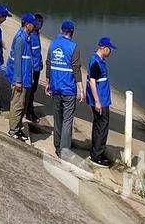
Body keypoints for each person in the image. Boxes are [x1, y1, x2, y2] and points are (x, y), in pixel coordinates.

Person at [44, 20, 82, 158]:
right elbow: (76, 69)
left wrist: (47, 82)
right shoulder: (74, 47)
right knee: (67, 120)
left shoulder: (53, 44)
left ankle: (57, 144)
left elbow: (48, 64)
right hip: (69, 89)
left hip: (55, 88)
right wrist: (81, 90)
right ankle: (64, 149)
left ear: (61, 30)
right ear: (72, 32)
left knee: (57, 118)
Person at [5, 13, 38, 142]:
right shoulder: (20, 39)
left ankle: (18, 128)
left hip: (26, 78)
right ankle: (13, 130)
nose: (34, 27)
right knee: (17, 105)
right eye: (33, 24)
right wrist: (18, 80)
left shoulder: (27, 38)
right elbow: (18, 61)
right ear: (27, 25)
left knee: (22, 105)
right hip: (20, 80)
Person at [86, 37, 116, 167]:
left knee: (99, 126)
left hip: (103, 99)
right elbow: (92, 82)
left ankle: (98, 151)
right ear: (104, 48)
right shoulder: (96, 62)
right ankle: (96, 155)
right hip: (100, 101)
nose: (111, 52)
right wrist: (97, 101)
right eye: (110, 49)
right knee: (101, 128)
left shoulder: (100, 61)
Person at [24, 13, 44, 123]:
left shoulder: (37, 34)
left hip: (37, 68)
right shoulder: (30, 35)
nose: (39, 25)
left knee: (33, 91)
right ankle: (29, 112)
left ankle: (29, 111)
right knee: (30, 92)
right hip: (31, 69)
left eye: (41, 23)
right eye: (37, 23)